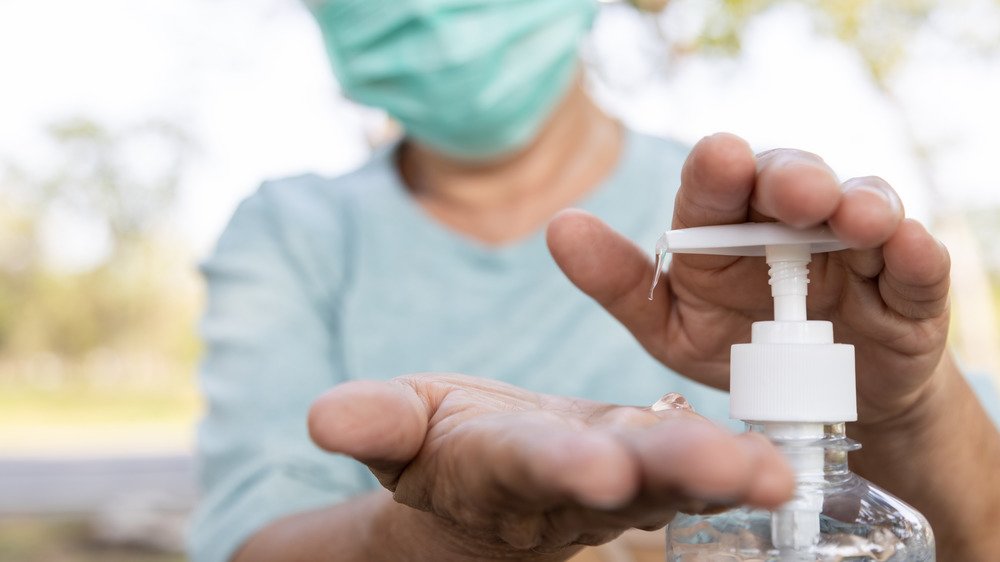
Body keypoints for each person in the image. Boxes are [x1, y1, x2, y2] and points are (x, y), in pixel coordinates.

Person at [187, 0, 1000, 560]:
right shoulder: (294, 233)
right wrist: (457, 535)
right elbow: (254, 538)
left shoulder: (737, 228)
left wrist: (910, 414)